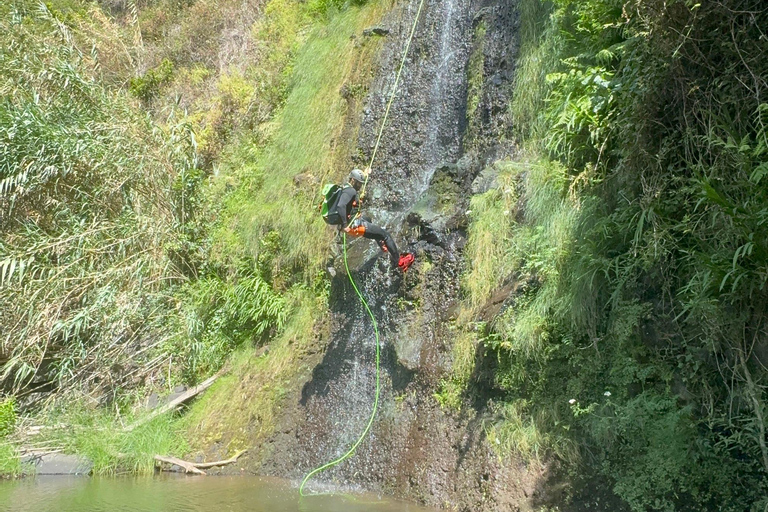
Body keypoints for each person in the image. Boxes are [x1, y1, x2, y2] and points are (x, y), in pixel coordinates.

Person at [333, 169, 414, 272]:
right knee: (385, 235)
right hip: (354, 225)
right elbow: (341, 206)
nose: (360, 186)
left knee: (368, 219)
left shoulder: (345, 187)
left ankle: (382, 245)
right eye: (358, 183)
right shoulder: (351, 191)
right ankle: (399, 261)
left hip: (354, 222)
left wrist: (365, 174)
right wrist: (345, 226)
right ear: (353, 180)